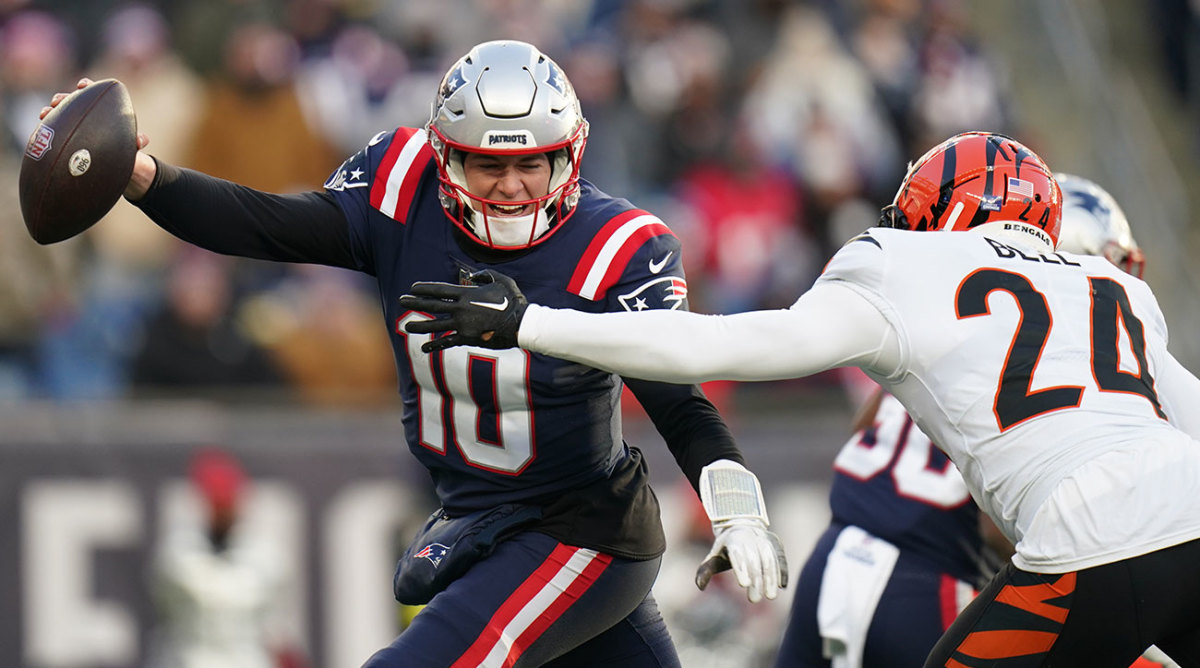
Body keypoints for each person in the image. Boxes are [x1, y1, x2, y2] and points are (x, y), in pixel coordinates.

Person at [44, 40, 787, 668]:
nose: (512, 187)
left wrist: (737, 511)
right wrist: (145, 180)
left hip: (580, 535)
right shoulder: (401, 192)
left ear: (572, 153)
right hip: (474, 520)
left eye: (534, 163)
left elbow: (678, 398)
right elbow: (266, 225)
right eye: (486, 166)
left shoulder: (618, 246)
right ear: (441, 156)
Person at [402, 131, 1200, 666]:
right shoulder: (1111, 286)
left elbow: (716, 345)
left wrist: (535, 322)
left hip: (1087, 531)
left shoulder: (905, 265)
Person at [775, 172, 1165, 668]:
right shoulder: (1059, 355)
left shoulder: (953, 316)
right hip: (933, 579)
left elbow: (866, 428)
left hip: (836, 553)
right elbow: (1008, 525)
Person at [148, 448, 308, 668]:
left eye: (228, 501)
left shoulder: (265, 557)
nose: (224, 510)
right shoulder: (179, 555)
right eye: (218, 502)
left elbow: (276, 630)